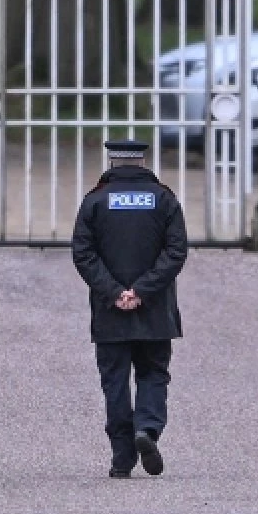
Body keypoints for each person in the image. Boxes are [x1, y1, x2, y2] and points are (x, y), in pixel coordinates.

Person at [70, 138, 188, 478]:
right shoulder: (164, 199)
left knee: (115, 382)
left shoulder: (95, 200)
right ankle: (146, 429)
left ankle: (122, 459)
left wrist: (115, 292)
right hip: (155, 309)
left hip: (111, 311)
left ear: (112, 161)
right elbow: (176, 252)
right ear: (142, 161)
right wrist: (142, 291)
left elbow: (83, 253)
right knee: (153, 373)